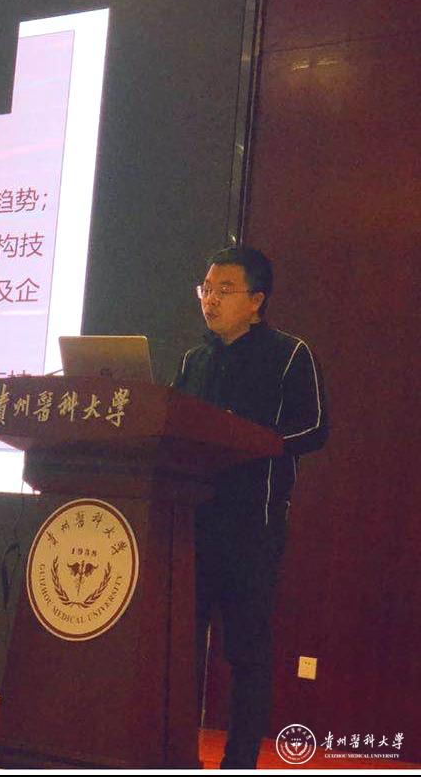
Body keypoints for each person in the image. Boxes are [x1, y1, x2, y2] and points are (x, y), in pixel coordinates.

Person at [173, 246, 328, 769]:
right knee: (180, 649)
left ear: (256, 300)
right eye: (206, 289)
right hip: (190, 524)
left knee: (247, 653)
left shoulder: (289, 354)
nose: (210, 300)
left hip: (251, 529)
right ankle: (173, 756)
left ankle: (239, 763)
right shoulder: (194, 361)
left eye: (225, 290)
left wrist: (252, 442)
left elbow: (314, 429)